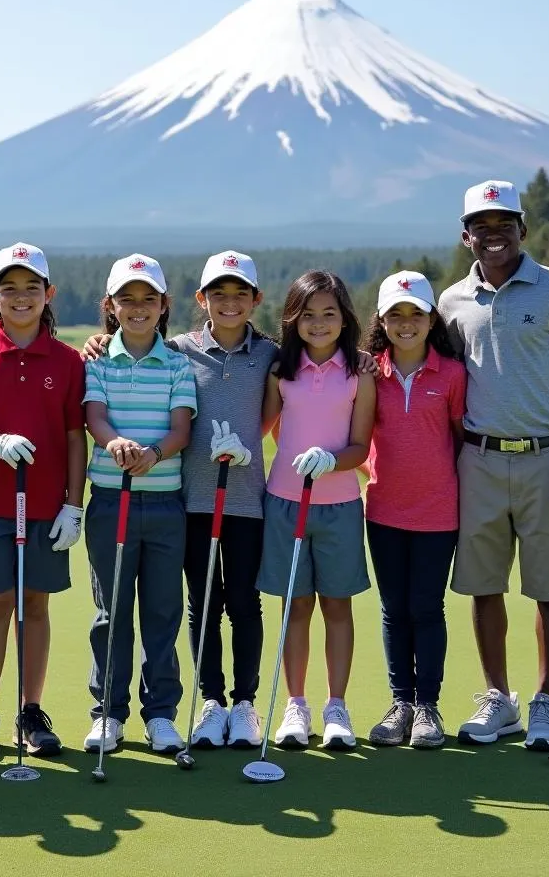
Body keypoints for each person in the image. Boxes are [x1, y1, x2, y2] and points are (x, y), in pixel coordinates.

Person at [83, 251, 279, 750]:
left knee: (206, 607)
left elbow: (187, 426)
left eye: (240, 293)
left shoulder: (269, 354)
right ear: (199, 300)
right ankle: (122, 709)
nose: (229, 302)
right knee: (155, 609)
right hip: (180, 497)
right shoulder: (173, 351)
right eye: (219, 292)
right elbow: (96, 414)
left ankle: (214, 708)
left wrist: (365, 354)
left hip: (229, 499)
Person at [439, 180, 549, 751]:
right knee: (484, 587)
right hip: (478, 459)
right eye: (482, 225)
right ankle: (498, 700)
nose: (494, 233)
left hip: (547, 457)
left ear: (523, 230)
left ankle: (546, 701)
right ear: (466, 236)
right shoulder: (451, 302)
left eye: (505, 223)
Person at [0, 243, 86, 760]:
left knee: (36, 607)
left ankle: (31, 711)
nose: (20, 298)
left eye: (31, 288)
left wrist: (75, 504)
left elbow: (75, 436)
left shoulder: (68, 361)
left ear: (48, 294)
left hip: (47, 504)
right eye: (9, 288)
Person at [82, 254, 197, 755]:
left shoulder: (176, 363)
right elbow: (95, 417)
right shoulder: (97, 361)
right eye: (126, 299)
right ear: (110, 306)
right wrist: (115, 445)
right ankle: (108, 712)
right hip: (111, 501)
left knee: (161, 610)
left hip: (165, 504)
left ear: (164, 305)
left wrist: (152, 453)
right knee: (111, 612)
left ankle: (161, 715)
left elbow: (181, 429)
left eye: (148, 298)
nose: (138, 307)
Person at [259, 270, 375, 751]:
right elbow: (267, 426)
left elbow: (360, 446)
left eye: (329, 313)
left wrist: (330, 460)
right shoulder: (281, 370)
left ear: (344, 318)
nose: (319, 323)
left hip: (341, 505)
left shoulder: (359, 372)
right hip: (285, 503)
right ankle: (297, 706)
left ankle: (336, 707)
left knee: (337, 607)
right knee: (295, 607)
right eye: (309, 314)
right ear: (294, 318)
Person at [361, 270, 467, 749]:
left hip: (438, 512)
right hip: (382, 509)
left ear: (431, 320)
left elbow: (461, 438)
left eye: (416, 314)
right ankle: (401, 702)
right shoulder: (369, 372)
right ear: (382, 321)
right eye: (396, 314)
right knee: (393, 610)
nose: (406, 323)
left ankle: (428, 708)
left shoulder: (451, 373)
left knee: (426, 608)